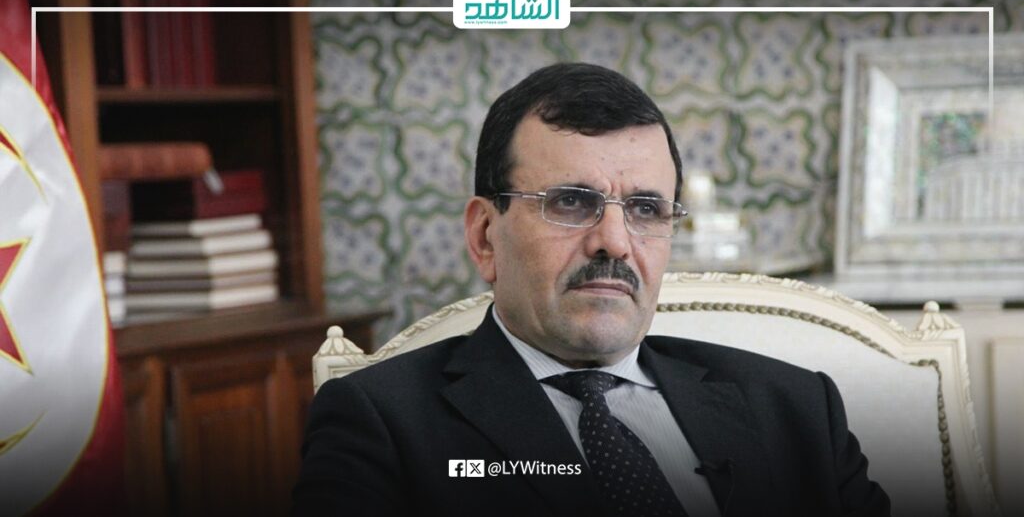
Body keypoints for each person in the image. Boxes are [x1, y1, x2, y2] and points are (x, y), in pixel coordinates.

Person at [293, 62, 890, 517]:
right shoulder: (382, 422)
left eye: (646, 209)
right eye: (571, 203)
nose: (615, 243)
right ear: (484, 236)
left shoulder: (796, 407)